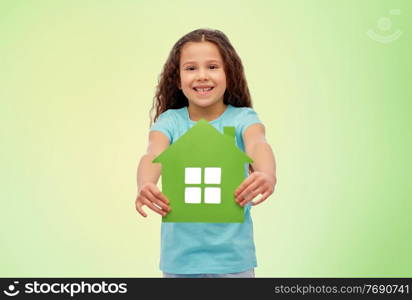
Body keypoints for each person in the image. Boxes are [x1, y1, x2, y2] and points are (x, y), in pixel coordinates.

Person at [135, 28, 277, 278]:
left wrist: (267, 174)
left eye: (212, 67)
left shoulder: (243, 118)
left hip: (234, 262)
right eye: (191, 68)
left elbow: (258, 143)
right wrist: (146, 183)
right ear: (177, 80)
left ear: (228, 75)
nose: (202, 76)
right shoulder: (171, 122)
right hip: (180, 263)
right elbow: (152, 153)